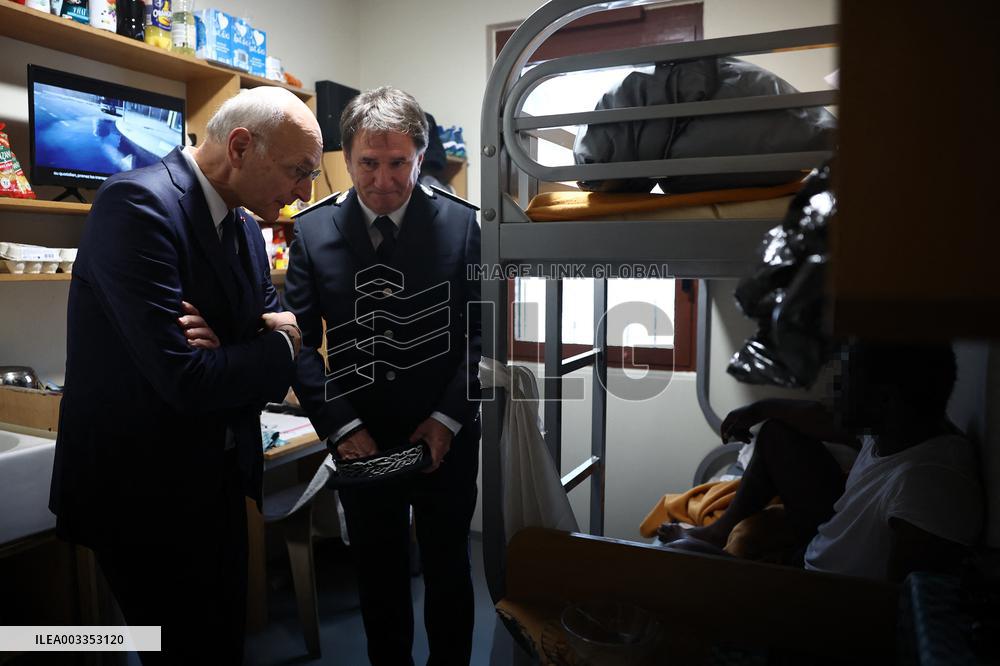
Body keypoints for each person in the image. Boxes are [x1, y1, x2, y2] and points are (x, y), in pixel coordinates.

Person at [49, 87, 322, 664]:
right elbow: (189, 378)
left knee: (222, 646)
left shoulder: (246, 228)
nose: (303, 192)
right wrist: (271, 342)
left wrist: (253, 346)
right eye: (299, 171)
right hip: (144, 494)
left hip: (219, 478)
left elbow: (282, 349)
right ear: (242, 147)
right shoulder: (137, 206)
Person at [285, 86, 481, 665]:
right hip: (360, 438)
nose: (383, 180)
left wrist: (446, 419)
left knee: (448, 572)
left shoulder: (466, 226)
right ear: (346, 159)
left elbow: (482, 336)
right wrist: (341, 426)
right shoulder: (312, 231)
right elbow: (296, 343)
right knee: (379, 578)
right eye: (368, 163)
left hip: (445, 433)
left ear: (420, 157)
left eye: (399, 163)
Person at [658, 342, 984, 582]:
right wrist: (760, 409)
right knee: (777, 434)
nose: (831, 393)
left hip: (820, 590)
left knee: (673, 560)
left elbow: (892, 614)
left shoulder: (929, 485)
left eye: (843, 385)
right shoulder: (903, 428)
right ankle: (719, 532)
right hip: (819, 544)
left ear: (884, 400)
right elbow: (821, 418)